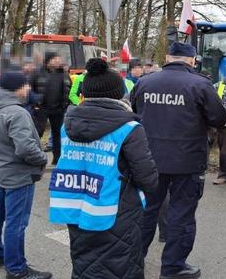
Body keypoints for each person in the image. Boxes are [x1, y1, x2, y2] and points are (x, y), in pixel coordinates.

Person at [49, 58, 158, 278]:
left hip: (77, 208)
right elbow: (148, 179)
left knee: (85, 265)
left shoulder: (67, 125)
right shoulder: (129, 128)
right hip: (118, 212)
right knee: (121, 267)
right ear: (119, 94)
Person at [133, 41, 226, 279]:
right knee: (181, 214)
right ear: (192, 60)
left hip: (149, 159)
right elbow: (218, 117)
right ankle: (173, 267)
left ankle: (133, 263)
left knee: (146, 212)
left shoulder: (144, 82)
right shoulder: (200, 85)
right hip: (187, 161)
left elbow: (133, 112)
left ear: (167, 56)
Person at [0, 71, 52, 279]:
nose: (29, 88)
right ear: (16, 88)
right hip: (18, 175)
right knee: (16, 222)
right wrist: (42, 159)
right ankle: (17, 269)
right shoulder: (16, 112)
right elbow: (25, 148)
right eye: (25, 85)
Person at [30, 51, 72, 164]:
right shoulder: (37, 72)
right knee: (38, 133)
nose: (58, 60)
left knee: (57, 134)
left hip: (59, 109)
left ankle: (57, 159)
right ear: (48, 60)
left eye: (59, 58)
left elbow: (69, 88)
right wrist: (35, 104)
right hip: (41, 108)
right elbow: (31, 88)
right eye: (55, 58)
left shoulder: (64, 73)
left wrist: (66, 104)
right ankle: (35, 157)